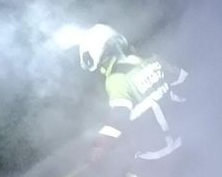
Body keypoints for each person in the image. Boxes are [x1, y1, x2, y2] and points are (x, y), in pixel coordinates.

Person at [78, 24, 187, 177]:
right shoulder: (152, 60)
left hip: (155, 158)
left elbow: (118, 118)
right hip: (182, 144)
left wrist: (99, 148)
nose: (101, 70)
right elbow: (184, 83)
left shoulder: (117, 79)